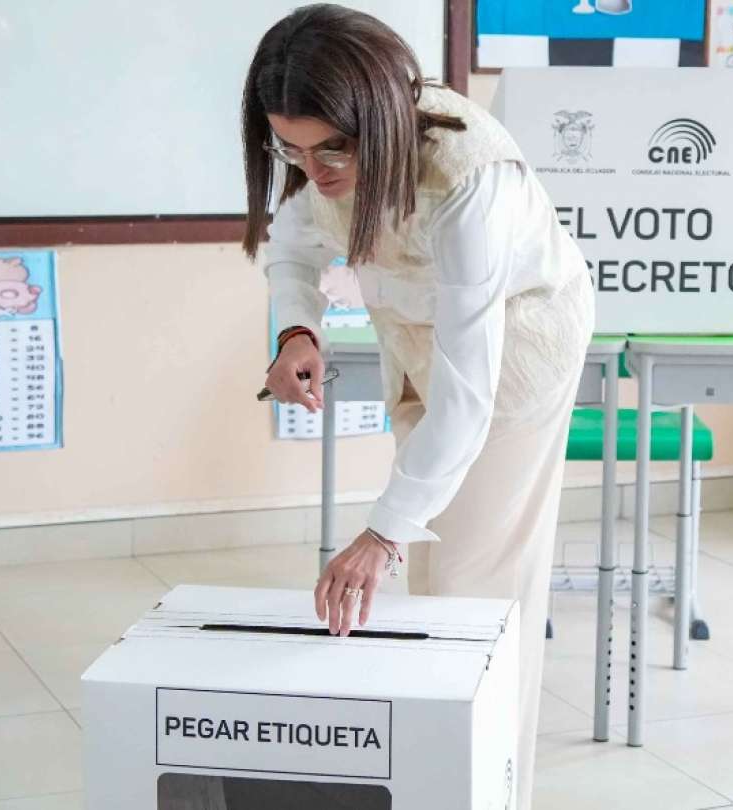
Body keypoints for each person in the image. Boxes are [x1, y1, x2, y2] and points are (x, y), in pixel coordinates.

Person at [241, 6, 595, 807]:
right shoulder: (321, 147)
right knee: (435, 576)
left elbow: (470, 396)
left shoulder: (470, 180)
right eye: (289, 148)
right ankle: (446, 777)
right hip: (418, 344)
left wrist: (377, 533)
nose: (314, 170)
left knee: (480, 582)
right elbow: (294, 244)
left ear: (379, 118)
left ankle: (500, 788)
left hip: (516, 355)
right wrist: (298, 328)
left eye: (332, 148)